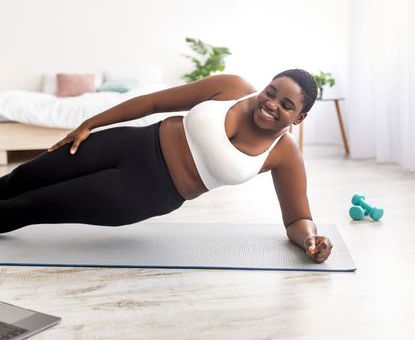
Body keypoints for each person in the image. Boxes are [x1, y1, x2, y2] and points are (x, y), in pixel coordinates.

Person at [0, 69, 333, 263]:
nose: (271, 104)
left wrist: (309, 240)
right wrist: (90, 123)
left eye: (286, 105)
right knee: (24, 176)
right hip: (131, 143)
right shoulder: (231, 88)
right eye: (270, 91)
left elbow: (297, 219)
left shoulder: (285, 154)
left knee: (29, 207)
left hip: (144, 192)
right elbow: (154, 101)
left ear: (300, 117)